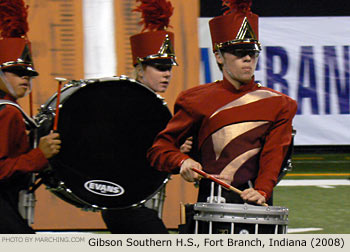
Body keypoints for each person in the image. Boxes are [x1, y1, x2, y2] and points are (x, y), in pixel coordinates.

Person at [147, 0, 298, 233]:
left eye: (252, 52)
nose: (248, 59)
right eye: (239, 53)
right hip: (208, 210)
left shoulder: (280, 104)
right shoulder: (194, 99)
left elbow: (274, 155)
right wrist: (182, 161)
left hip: (255, 209)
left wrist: (262, 190)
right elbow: (159, 150)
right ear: (219, 56)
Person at [101, 0, 190, 234]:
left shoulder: (151, 104)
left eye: (169, 67)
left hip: (136, 203)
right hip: (127, 203)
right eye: (160, 68)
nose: (167, 74)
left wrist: (176, 151)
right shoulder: (132, 104)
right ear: (140, 69)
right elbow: (137, 155)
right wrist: (175, 151)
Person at [0, 0, 61, 233]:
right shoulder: (9, 112)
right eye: (16, 72)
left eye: (27, 73)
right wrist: (39, 156)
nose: (24, 79)